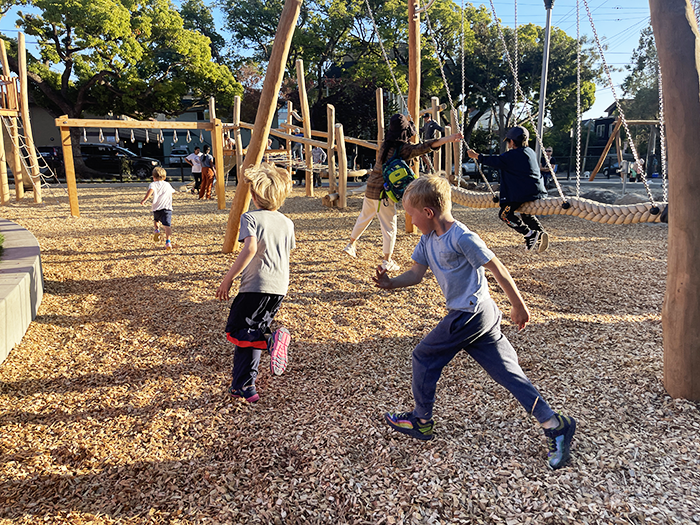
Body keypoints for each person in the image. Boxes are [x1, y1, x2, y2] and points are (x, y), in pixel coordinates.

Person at [375, 175, 576, 470]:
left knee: (423, 354)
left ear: (428, 213)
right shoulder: (427, 239)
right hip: (478, 316)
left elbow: (496, 268)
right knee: (508, 373)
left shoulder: (462, 237)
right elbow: (416, 274)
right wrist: (391, 283)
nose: (411, 219)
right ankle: (554, 423)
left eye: (411, 214)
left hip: (470, 314)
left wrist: (519, 306)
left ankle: (421, 420)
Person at [215, 162, 295, 403]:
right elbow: (286, 253)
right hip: (279, 287)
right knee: (250, 336)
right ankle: (244, 387)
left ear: (254, 194)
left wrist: (228, 279)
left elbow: (249, 248)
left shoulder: (250, 217)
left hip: (255, 286)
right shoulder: (287, 222)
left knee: (241, 330)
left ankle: (273, 341)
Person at [342, 113, 462, 272]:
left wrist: (409, 118)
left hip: (371, 187)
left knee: (364, 217)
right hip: (384, 193)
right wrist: (448, 138)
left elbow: (400, 124)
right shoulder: (403, 149)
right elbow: (423, 147)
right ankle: (387, 260)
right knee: (389, 227)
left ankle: (351, 244)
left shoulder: (385, 145)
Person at [467, 126, 549, 253]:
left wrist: (476, 156)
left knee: (504, 215)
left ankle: (528, 234)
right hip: (536, 191)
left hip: (521, 193)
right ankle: (540, 232)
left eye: (508, 141)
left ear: (512, 141)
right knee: (526, 215)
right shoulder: (531, 152)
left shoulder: (511, 156)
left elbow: (495, 160)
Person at [140, 167, 176, 250]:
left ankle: (157, 230)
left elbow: (150, 191)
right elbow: (173, 191)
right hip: (167, 208)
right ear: (164, 177)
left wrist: (144, 200)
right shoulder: (167, 184)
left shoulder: (153, 184)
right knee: (167, 225)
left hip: (157, 207)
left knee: (156, 220)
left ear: (153, 176)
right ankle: (168, 242)